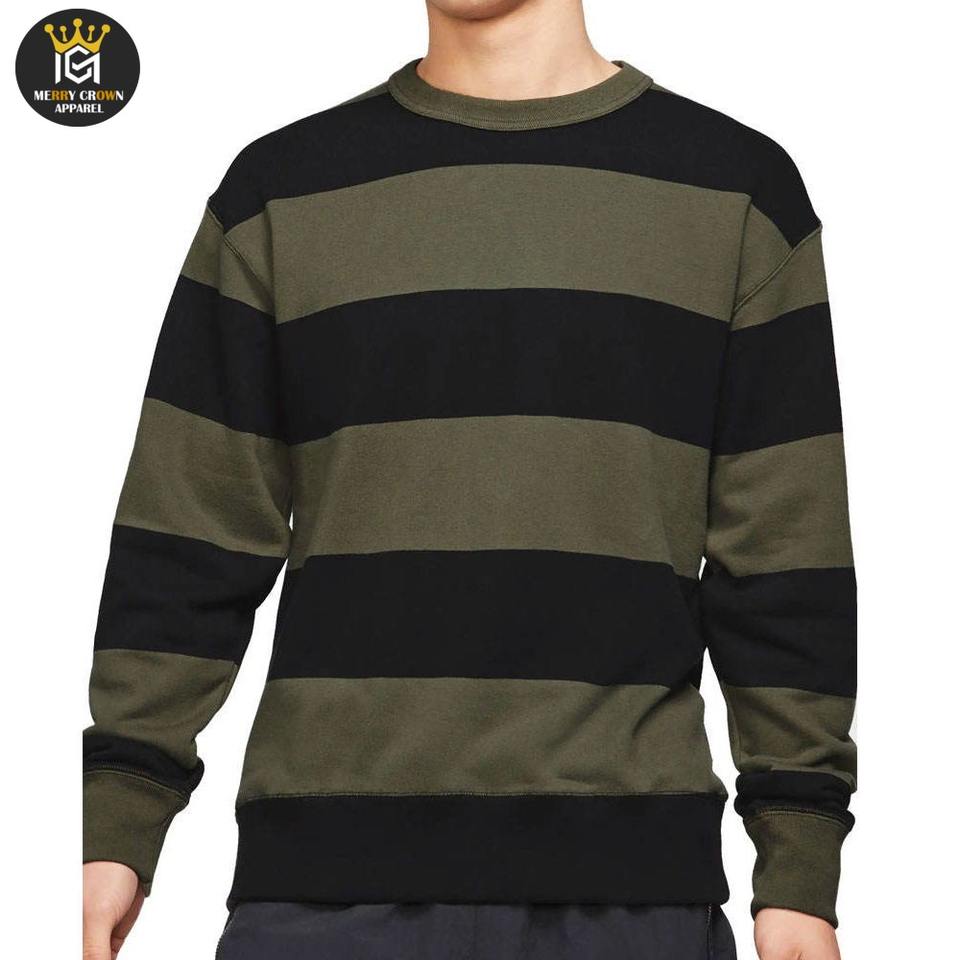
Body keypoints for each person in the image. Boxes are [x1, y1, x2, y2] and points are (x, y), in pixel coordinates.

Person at [81, 1, 857, 958]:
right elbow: (187, 536)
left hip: (628, 895)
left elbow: (784, 561)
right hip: (323, 895)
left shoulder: (738, 194)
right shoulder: (279, 193)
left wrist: (799, 868)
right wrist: (114, 823)